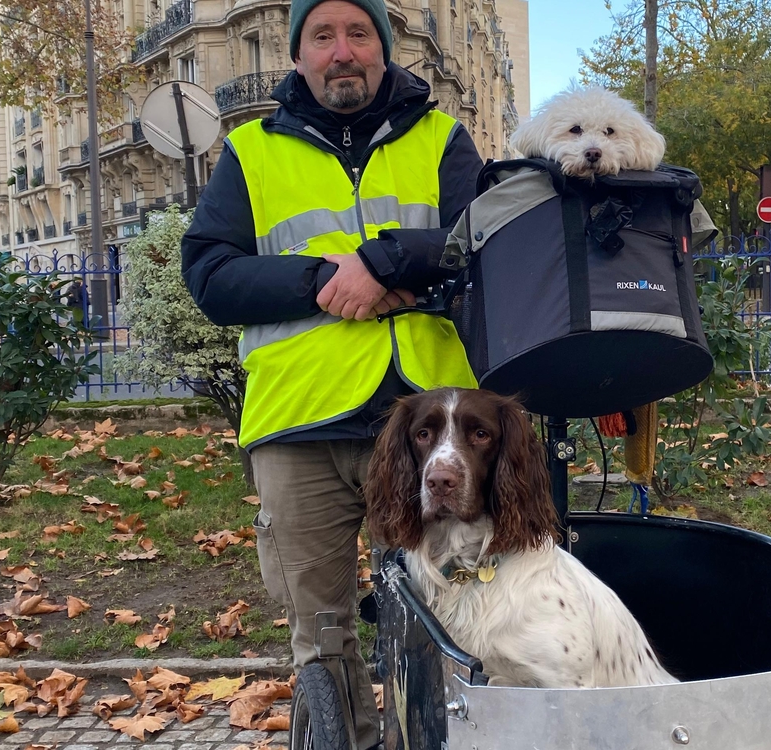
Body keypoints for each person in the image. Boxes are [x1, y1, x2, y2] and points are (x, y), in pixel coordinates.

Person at [180, 1, 482, 747]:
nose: (342, 51)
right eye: (323, 36)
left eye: (358, 34)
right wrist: (326, 277)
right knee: (321, 631)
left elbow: (483, 239)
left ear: (384, 49)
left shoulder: (442, 137)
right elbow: (211, 275)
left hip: (425, 426)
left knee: (455, 614)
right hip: (298, 422)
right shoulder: (248, 151)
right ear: (298, 56)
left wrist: (382, 261)